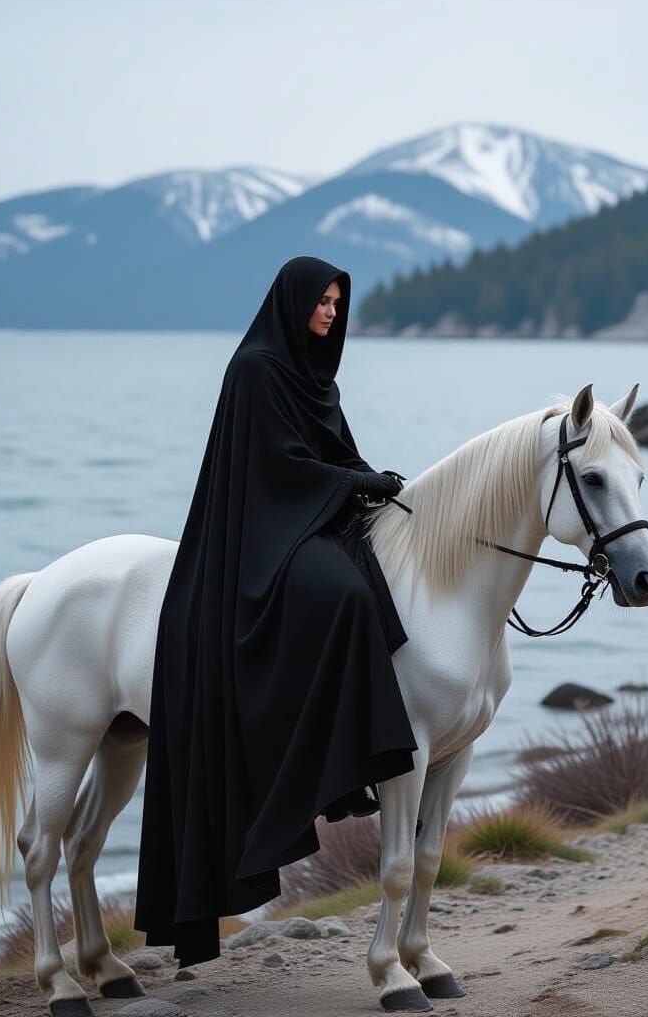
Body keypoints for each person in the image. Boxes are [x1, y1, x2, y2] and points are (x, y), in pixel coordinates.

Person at [133, 255, 419, 969]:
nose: (329, 313)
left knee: (377, 579)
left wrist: (368, 479)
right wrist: (353, 482)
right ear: (292, 302)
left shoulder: (316, 376)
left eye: (336, 304)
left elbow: (331, 452)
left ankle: (349, 746)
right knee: (345, 596)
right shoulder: (256, 369)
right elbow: (278, 469)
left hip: (307, 516)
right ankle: (351, 755)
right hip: (260, 529)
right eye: (321, 301)